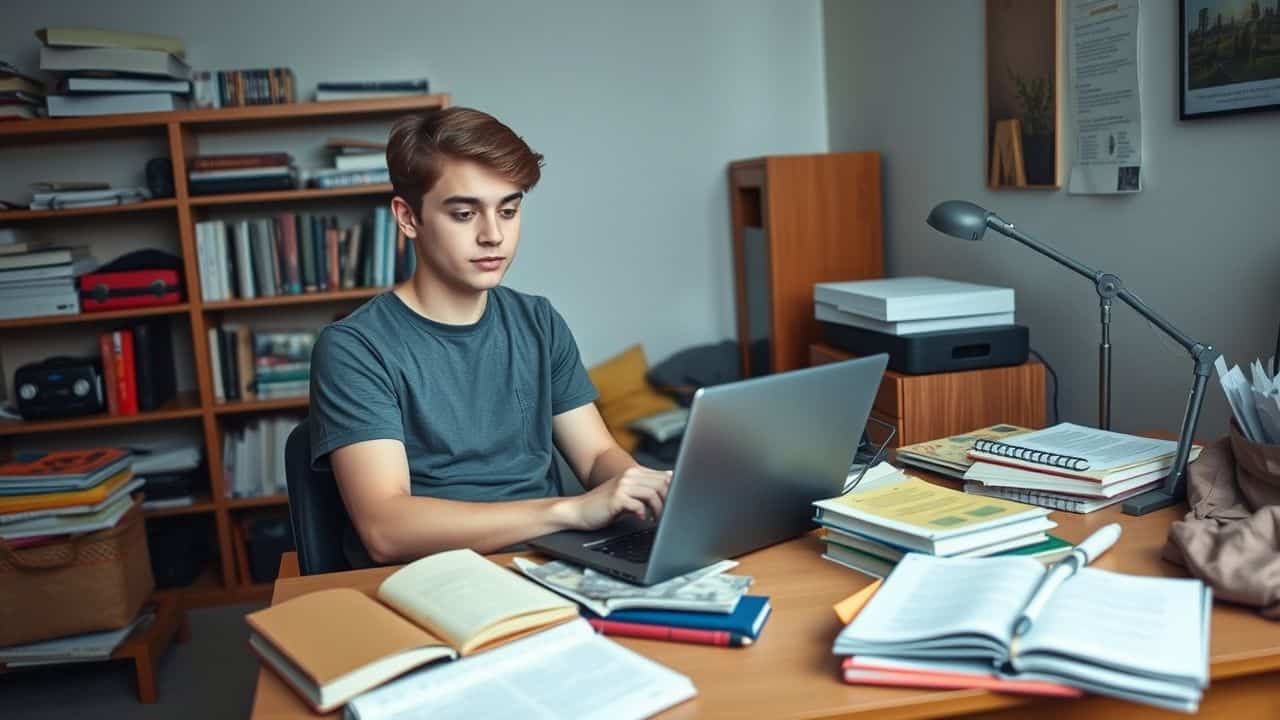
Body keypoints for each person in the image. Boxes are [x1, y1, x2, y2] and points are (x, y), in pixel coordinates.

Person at [308, 107, 671, 566]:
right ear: (407, 218)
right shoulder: (354, 348)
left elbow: (597, 454)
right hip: (429, 575)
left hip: (548, 562)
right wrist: (571, 510)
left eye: (509, 210)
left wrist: (644, 486)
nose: (493, 235)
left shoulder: (539, 321)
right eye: (464, 213)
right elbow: (385, 527)